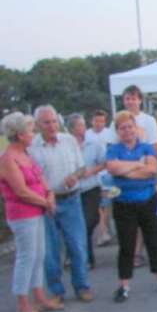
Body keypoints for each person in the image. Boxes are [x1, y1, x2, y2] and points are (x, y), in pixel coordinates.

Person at [105, 110, 157, 302]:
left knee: (154, 242)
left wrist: (125, 168)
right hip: (123, 202)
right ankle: (123, 285)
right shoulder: (113, 149)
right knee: (126, 245)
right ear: (117, 131)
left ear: (135, 128)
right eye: (122, 128)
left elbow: (151, 170)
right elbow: (112, 168)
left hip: (147, 199)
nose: (127, 131)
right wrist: (137, 164)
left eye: (129, 126)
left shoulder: (146, 147)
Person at [0, 112, 62, 312]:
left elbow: (39, 177)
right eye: (30, 130)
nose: (33, 134)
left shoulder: (25, 154)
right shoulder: (8, 158)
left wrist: (50, 194)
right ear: (19, 134)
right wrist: (46, 201)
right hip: (22, 214)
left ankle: (39, 296)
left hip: (36, 211)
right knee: (26, 257)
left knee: (39, 255)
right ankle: (22, 304)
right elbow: (21, 190)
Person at [29, 105, 92, 303]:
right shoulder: (31, 147)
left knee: (77, 246)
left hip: (71, 199)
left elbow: (82, 168)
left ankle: (82, 286)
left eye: (54, 121)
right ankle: (57, 291)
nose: (52, 126)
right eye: (46, 122)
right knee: (50, 252)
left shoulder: (69, 140)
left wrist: (75, 176)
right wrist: (46, 196)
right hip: (46, 205)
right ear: (38, 125)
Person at [66, 114, 106, 270]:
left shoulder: (94, 143)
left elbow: (104, 162)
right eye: (79, 125)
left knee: (90, 221)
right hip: (74, 189)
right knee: (77, 224)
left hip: (91, 187)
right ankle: (87, 258)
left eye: (83, 125)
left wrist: (92, 170)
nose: (83, 128)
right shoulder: (66, 145)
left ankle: (78, 254)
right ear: (72, 128)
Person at [85, 110, 115, 247]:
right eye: (97, 121)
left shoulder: (109, 133)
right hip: (94, 174)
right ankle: (103, 232)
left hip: (107, 173)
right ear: (92, 121)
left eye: (102, 121)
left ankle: (105, 229)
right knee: (98, 204)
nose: (99, 123)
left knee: (107, 202)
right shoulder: (87, 135)